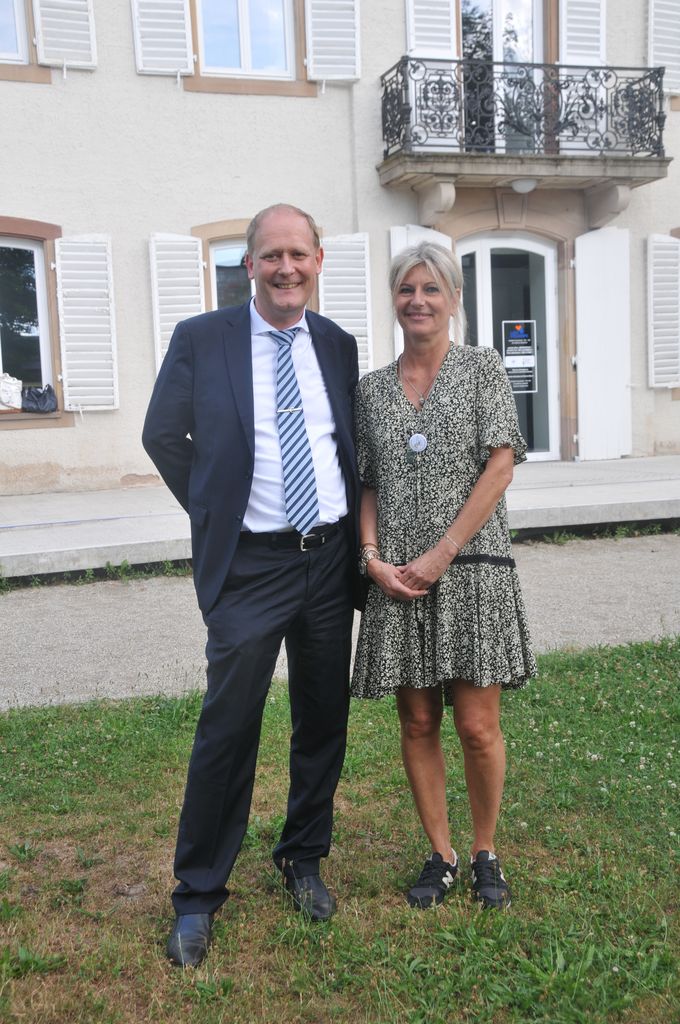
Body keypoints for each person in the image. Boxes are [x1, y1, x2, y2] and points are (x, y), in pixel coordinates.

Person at [143, 204, 360, 967]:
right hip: (250, 567)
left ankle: (303, 857)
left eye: (298, 254)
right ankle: (198, 894)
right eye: (271, 255)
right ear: (249, 266)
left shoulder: (336, 344)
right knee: (228, 726)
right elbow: (163, 436)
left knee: (322, 717)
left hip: (328, 561)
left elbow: (344, 445)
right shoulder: (202, 339)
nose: (285, 268)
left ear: (318, 260)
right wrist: (216, 511)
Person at [351, 241, 536, 912]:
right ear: (394, 299)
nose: (418, 301)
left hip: (471, 570)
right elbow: (368, 482)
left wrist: (443, 553)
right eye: (407, 289)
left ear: (454, 299)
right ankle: (442, 854)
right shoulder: (371, 390)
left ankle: (486, 852)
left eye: (432, 289)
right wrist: (372, 558)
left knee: (478, 725)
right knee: (418, 720)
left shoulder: (482, 368)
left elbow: (501, 466)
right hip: (398, 578)